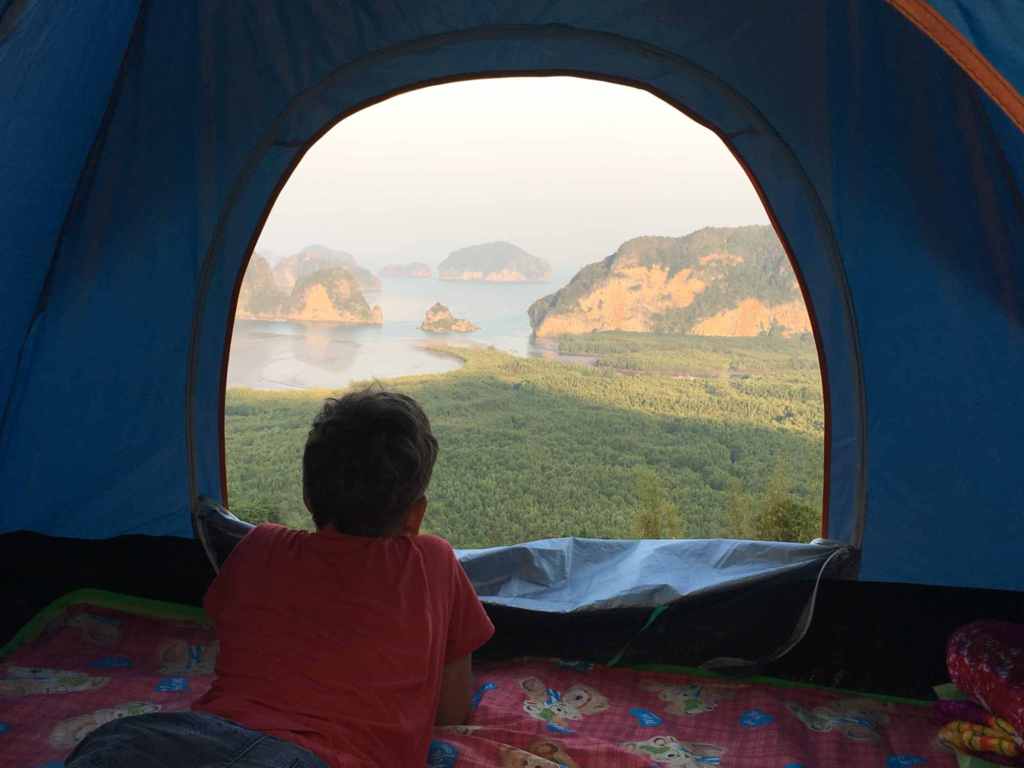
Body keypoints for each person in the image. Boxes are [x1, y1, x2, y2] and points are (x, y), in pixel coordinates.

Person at [68, 389, 495, 767]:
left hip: (186, 738)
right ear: (415, 515)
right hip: (310, 758)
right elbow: (451, 711)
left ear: (309, 496)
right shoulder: (433, 560)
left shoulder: (259, 546)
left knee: (111, 743)